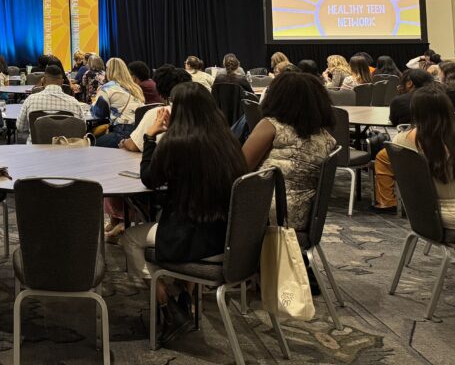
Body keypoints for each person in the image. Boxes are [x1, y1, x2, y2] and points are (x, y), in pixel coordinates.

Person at [120, 82, 247, 344]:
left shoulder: (177, 143)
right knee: (164, 226)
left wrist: (150, 137)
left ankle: (168, 306)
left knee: (130, 238)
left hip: (194, 238)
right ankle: (186, 296)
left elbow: (149, 178)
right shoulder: (229, 141)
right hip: (227, 237)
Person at [242, 71, 336, 231]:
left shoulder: (271, 126)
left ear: (277, 98)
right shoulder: (327, 139)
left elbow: (240, 169)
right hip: (303, 216)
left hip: (268, 213)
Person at [373, 85, 455, 220]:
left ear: (415, 112)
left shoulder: (405, 139)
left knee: (383, 156)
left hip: (432, 215)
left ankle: (387, 201)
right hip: (454, 210)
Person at [121, 67, 193, 152]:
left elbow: (134, 145)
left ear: (159, 90)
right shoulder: (200, 111)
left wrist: (123, 142)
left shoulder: (159, 113)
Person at [16, 64, 88, 139]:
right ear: (62, 82)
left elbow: (20, 127)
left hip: (36, 145)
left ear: (43, 80)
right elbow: (83, 128)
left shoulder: (30, 100)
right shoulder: (74, 103)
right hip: (66, 146)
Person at [93, 58, 145, 148]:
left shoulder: (106, 88)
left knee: (92, 143)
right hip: (140, 132)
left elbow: (98, 115)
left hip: (122, 133)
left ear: (108, 70)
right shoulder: (136, 87)